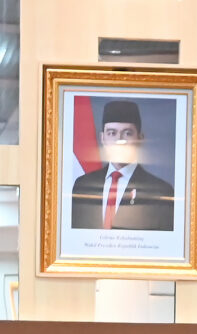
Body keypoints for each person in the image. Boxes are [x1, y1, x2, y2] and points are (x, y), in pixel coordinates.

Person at [67, 98, 175, 233]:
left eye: (127, 133)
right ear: (103, 138)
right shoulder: (82, 186)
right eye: (112, 133)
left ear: (140, 138)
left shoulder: (161, 192)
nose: (119, 141)